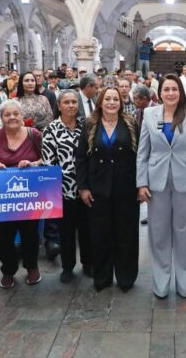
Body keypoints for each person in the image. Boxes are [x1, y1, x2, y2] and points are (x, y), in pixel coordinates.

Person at [137, 74, 186, 298]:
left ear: (181, 92)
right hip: (156, 182)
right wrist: (141, 183)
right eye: (166, 89)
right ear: (159, 93)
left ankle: (185, 285)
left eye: (174, 89)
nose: (170, 93)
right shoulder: (149, 114)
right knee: (158, 234)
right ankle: (160, 284)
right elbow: (142, 152)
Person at [77, 87, 139, 292]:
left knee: (126, 234)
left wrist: (141, 184)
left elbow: (140, 155)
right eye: (108, 99)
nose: (112, 102)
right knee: (100, 235)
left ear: (121, 103)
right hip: (97, 189)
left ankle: (126, 277)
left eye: (115, 99)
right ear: (100, 102)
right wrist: (83, 187)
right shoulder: (90, 124)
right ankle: (102, 277)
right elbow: (81, 158)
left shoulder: (130, 123)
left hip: (126, 188)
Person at [0, 100, 43, 288]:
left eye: (16, 113)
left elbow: (46, 158)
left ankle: (32, 266)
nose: (12, 117)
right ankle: (8, 269)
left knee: (30, 233)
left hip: (29, 194)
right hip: (2, 196)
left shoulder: (34, 134)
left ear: (22, 116)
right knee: (3, 236)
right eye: (7, 115)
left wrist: (32, 164)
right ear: (1, 118)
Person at [42, 90, 93, 283]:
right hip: (63, 190)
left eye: (74, 102)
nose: (71, 105)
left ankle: (88, 263)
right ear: (59, 106)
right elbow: (49, 162)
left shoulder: (86, 126)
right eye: (66, 102)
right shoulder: (51, 129)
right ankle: (68, 266)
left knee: (87, 230)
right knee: (66, 232)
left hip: (86, 188)